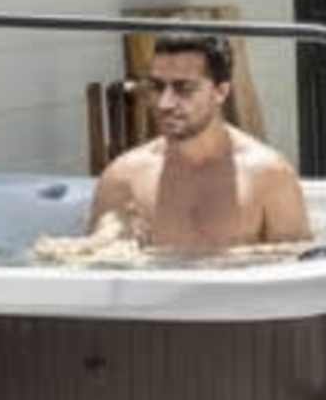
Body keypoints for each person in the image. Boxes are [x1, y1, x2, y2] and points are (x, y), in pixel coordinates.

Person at [84, 33, 312, 254]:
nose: (165, 103)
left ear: (220, 92)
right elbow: (95, 268)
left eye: (184, 89)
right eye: (157, 87)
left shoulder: (267, 175)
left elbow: (298, 271)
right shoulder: (124, 177)